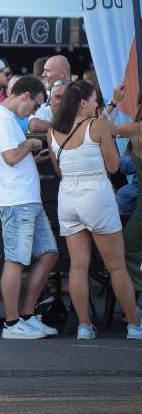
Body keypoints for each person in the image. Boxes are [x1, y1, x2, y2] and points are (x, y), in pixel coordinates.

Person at [49, 81, 142, 340]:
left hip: (68, 197)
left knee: (78, 267)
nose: (97, 105)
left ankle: (84, 326)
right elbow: (113, 167)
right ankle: (134, 326)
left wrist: (112, 103)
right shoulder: (97, 125)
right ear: (83, 103)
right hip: (96, 195)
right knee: (116, 266)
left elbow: (59, 170)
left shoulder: (54, 129)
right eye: (94, 101)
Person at [0, 75, 59, 339]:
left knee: (49, 253)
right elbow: (11, 156)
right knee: (15, 260)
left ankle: (26, 316)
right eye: (36, 105)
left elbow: (10, 160)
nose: (35, 112)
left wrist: (33, 158)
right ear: (26, 96)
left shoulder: (4, 118)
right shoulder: (3, 118)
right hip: (16, 200)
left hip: (24, 198)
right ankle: (12, 323)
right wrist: (29, 143)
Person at [114, 89, 142, 299]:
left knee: (124, 249)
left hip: (136, 205)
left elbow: (101, 128)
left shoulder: (135, 129)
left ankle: (136, 308)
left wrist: (113, 103)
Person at [28, 56, 71, 133]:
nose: (43, 74)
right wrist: (66, 127)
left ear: (61, 74)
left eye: (48, 71)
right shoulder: (43, 96)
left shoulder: (81, 94)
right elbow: (34, 125)